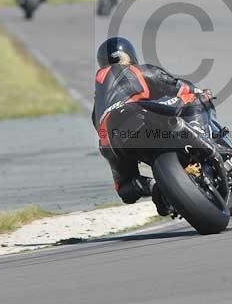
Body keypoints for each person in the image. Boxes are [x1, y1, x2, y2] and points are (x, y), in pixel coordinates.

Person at [91, 37, 216, 215]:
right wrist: (200, 92)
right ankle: (205, 144)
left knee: (125, 188)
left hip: (113, 141)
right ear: (130, 56)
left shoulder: (97, 106)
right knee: (195, 98)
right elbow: (179, 86)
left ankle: (158, 188)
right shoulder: (140, 71)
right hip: (143, 117)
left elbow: (127, 193)